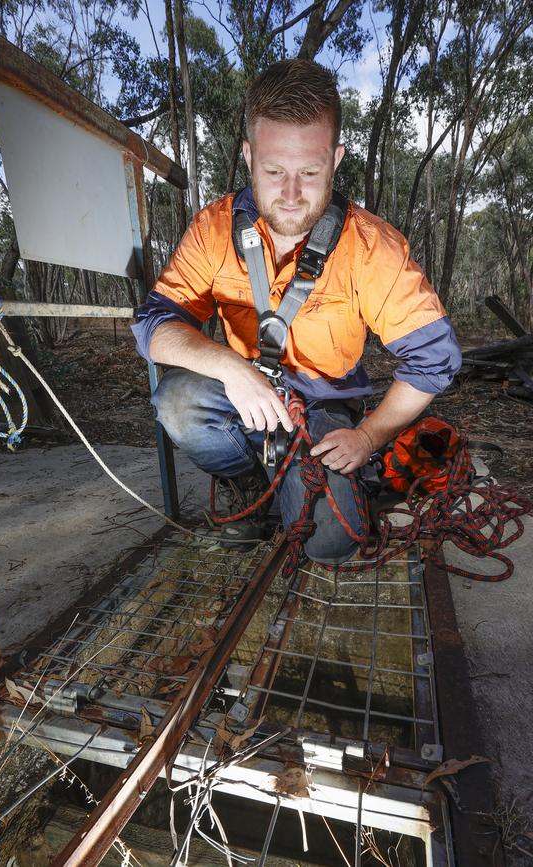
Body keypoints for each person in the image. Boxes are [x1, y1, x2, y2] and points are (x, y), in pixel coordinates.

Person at [132, 59, 461, 564]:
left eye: (309, 172)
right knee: (178, 401)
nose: (290, 194)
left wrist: (368, 437)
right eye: (273, 171)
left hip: (324, 405)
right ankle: (248, 484)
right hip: (243, 394)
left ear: (336, 159)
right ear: (247, 156)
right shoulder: (213, 230)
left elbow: (434, 360)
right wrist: (228, 367)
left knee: (330, 546)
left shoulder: (372, 247)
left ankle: (318, 480)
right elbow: (153, 326)